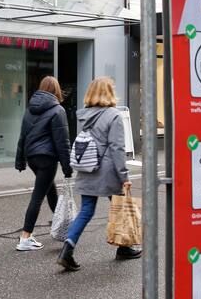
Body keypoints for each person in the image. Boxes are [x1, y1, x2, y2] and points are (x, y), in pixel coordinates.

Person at [58, 77, 142, 271]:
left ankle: (67, 250)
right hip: (107, 171)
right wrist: (124, 177)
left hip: (88, 168)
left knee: (87, 210)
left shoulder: (85, 115)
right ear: (109, 93)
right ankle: (124, 247)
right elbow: (117, 149)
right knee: (120, 207)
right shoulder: (113, 116)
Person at [14, 76, 73, 251]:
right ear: (56, 90)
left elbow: (22, 136)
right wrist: (67, 167)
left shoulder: (29, 109)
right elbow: (62, 142)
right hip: (47, 158)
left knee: (50, 190)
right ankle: (26, 237)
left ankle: (62, 229)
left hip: (32, 157)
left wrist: (20, 160)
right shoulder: (58, 110)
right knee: (38, 197)